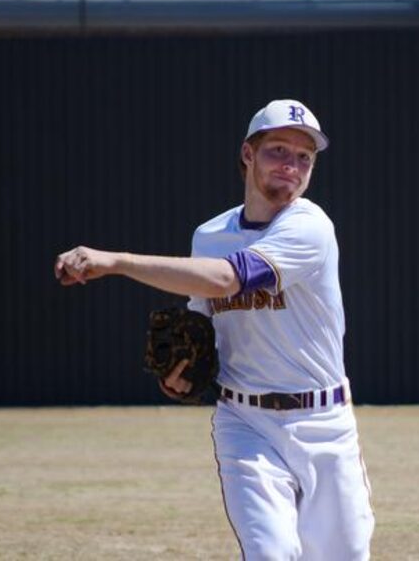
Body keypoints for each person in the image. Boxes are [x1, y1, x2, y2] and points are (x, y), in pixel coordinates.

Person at [54, 99, 375, 560]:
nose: (292, 165)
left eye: (304, 157)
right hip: (246, 424)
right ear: (248, 154)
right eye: (278, 150)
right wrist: (182, 368)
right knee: (270, 553)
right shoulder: (209, 236)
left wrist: (116, 263)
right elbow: (204, 318)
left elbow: (227, 279)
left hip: (323, 424)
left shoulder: (310, 225)